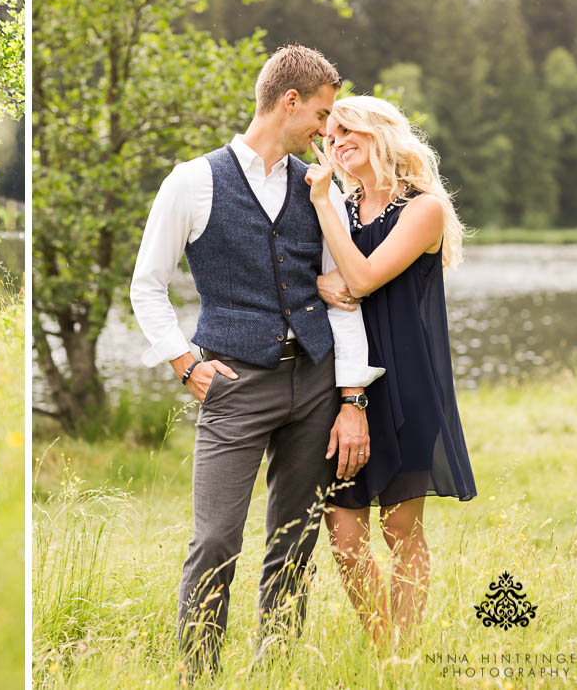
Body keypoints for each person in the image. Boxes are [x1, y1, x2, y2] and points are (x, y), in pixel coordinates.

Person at [130, 45, 384, 675]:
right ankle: (199, 675)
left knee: (293, 541)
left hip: (316, 385)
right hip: (233, 384)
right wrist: (185, 364)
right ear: (289, 102)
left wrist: (351, 397)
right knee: (215, 539)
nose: (328, 130)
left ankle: (276, 671)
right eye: (323, 114)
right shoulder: (192, 181)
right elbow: (147, 284)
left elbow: (342, 299)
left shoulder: (318, 188)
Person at [304, 95, 476, 648]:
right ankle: (385, 649)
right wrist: (320, 282)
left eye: (346, 129)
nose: (336, 143)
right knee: (343, 531)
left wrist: (323, 207)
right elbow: (318, 277)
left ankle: (400, 660)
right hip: (344, 380)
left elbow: (362, 279)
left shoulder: (424, 208)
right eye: (329, 136)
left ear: (381, 132)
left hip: (408, 380)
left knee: (400, 529)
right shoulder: (342, 205)